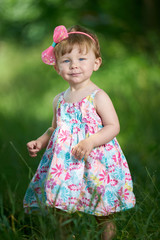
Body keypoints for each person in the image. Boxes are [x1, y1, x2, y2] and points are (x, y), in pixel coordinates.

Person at [24, 25, 136, 240]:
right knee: (60, 208)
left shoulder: (98, 96)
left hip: (96, 161)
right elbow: (55, 128)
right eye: (66, 61)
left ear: (96, 63)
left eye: (81, 59)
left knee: (102, 209)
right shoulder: (59, 99)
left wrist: (91, 141)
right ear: (57, 67)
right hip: (64, 164)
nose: (74, 65)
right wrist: (41, 140)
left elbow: (113, 126)